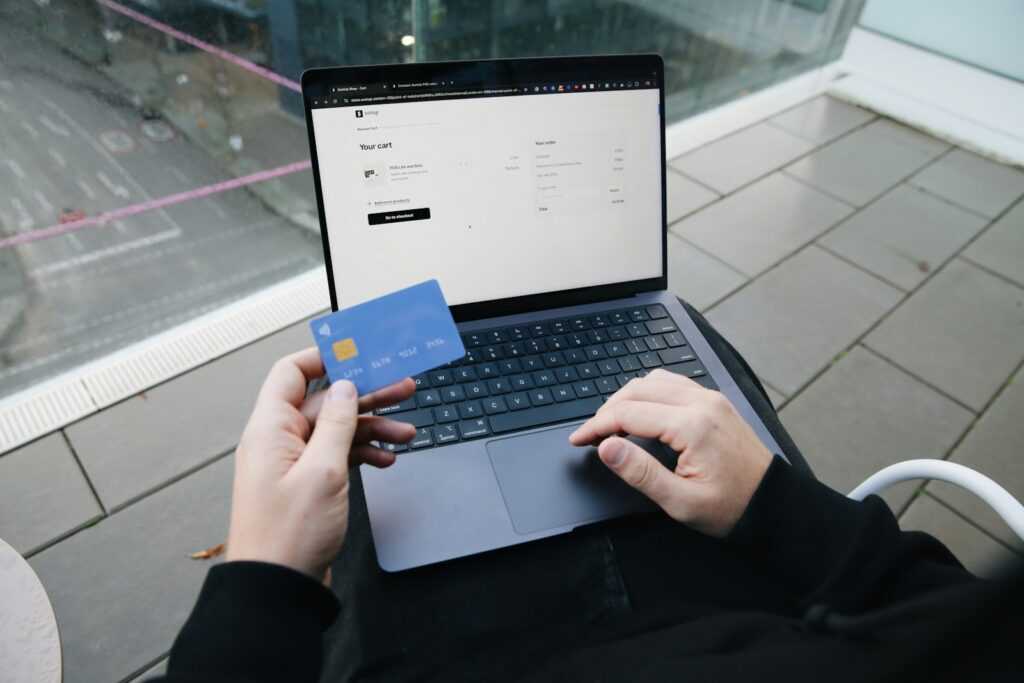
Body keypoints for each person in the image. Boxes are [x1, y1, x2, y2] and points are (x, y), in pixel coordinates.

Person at [153, 305, 1021, 682]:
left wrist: (265, 574)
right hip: (755, 600)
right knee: (680, 336)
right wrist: (773, 501)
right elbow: (945, 608)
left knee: (373, 445)